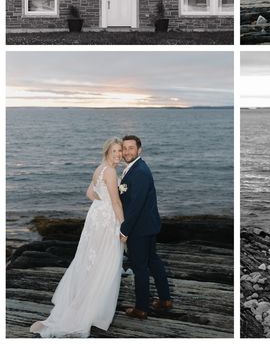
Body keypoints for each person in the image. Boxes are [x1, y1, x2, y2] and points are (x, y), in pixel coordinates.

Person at [30, 138, 125, 337]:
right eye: (114, 151)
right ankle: (91, 309)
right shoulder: (110, 171)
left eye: (120, 151)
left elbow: (89, 193)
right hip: (106, 221)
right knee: (106, 261)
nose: (118, 154)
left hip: (95, 217)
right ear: (107, 151)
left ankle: (83, 301)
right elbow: (116, 203)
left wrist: (101, 204)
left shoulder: (99, 168)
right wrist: (124, 227)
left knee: (90, 259)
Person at [119, 135, 171, 319]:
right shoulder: (135, 168)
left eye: (131, 148)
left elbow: (136, 205)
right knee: (153, 261)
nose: (127, 152)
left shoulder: (139, 171)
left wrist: (124, 229)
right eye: (124, 148)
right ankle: (165, 299)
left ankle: (141, 308)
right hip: (148, 225)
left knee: (140, 267)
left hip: (139, 229)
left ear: (139, 150)